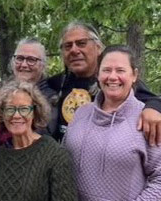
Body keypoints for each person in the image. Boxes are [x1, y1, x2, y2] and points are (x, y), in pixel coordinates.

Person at [64, 45, 161, 200]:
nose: (112, 77)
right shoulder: (80, 114)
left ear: (134, 75)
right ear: (98, 74)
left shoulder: (147, 119)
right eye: (107, 70)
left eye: (120, 70)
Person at [46, 21, 161, 143]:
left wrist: (152, 110)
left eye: (81, 43)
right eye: (68, 46)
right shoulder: (57, 83)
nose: (74, 50)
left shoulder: (113, 82)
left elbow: (154, 100)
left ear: (98, 47)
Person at [0, 81, 77, 201]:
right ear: (1, 114)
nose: (16, 115)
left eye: (24, 109)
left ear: (35, 112)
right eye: (9, 109)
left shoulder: (55, 154)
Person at [0, 38, 58, 135]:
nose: (24, 65)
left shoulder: (51, 98)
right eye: (19, 58)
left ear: (42, 65)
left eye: (31, 60)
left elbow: (45, 132)